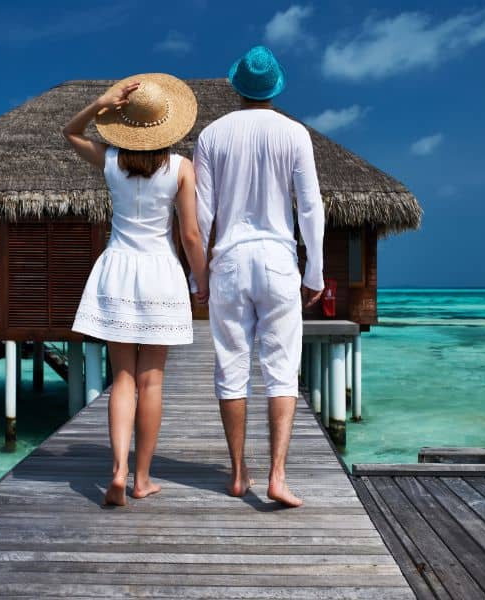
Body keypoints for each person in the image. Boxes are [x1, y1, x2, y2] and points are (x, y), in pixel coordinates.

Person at [63, 73, 209, 506]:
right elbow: (191, 235)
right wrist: (202, 281)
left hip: (117, 271)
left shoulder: (110, 161)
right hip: (161, 274)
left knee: (122, 379)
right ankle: (142, 478)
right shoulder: (181, 168)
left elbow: (69, 131)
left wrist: (100, 103)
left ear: (126, 123)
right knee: (152, 381)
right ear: (167, 124)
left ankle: (118, 470)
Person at [192, 47, 325, 508]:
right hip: (276, 260)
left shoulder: (212, 135)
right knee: (281, 372)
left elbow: (201, 213)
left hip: (228, 260)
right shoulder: (295, 134)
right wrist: (316, 272)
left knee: (231, 370)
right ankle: (277, 476)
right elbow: (310, 208)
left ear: (237, 87)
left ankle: (236, 472)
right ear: (276, 88)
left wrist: (199, 278)